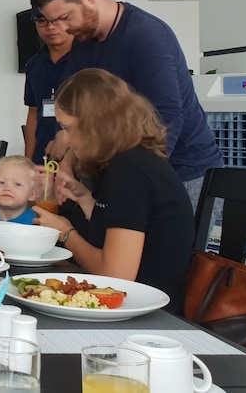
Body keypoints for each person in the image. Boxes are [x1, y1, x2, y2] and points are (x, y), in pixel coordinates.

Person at [30, 0, 223, 212]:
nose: (62, 29)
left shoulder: (146, 36)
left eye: (65, 17)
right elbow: (72, 107)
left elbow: (166, 119)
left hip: (182, 172)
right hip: (121, 169)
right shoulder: (83, 44)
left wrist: (133, 182)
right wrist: (66, 158)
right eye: (53, 21)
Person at [31, 68, 195, 312]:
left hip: (148, 312)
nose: (67, 139)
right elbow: (122, 225)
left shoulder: (129, 171)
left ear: (94, 125)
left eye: (68, 128)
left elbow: (116, 276)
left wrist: (65, 233)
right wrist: (84, 198)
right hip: (141, 303)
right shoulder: (134, 160)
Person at [23, 10, 73, 164]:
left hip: (82, 158)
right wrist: (28, 161)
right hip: (43, 158)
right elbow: (33, 112)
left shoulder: (89, 59)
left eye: (56, 20)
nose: (50, 27)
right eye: (42, 21)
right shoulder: (34, 64)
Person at [0, 155, 37, 224]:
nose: (7, 188)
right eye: (2, 182)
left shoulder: (37, 223)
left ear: (32, 194)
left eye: (17, 184)